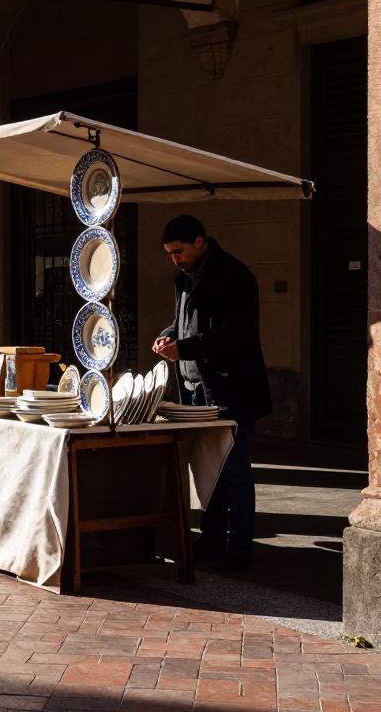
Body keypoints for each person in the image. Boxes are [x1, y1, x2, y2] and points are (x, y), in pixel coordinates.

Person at [153, 215, 271, 571]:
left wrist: (184, 348)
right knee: (208, 469)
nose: (175, 258)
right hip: (195, 391)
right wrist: (169, 335)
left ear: (200, 242)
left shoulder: (235, 276)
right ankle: (213, 538)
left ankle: (240, 547)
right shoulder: (184, 277)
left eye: (179, 250)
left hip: (228, 390)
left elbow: (233, 334)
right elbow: (185, 320)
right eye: (170, 253)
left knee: (233, 469)